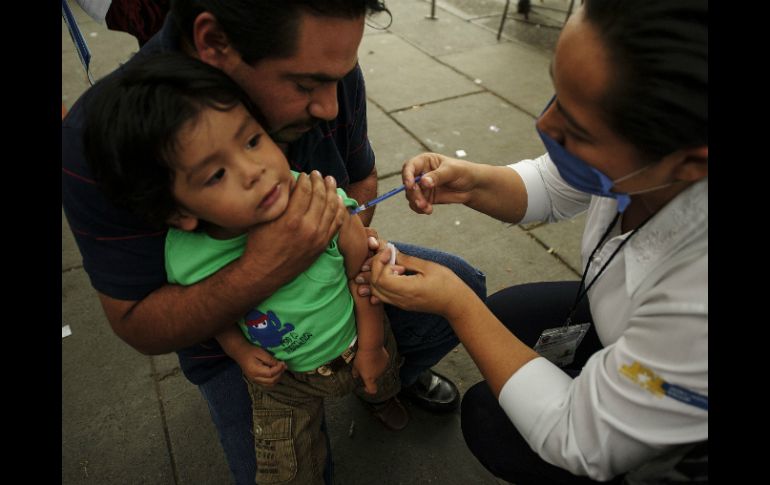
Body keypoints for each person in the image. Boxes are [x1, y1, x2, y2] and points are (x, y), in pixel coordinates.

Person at [61, 1, 486, 483]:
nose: (329, 106)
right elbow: (140, 323)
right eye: (305, 85)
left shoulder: (325, 60)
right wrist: (270, 265)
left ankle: (387, 385)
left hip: (345, 319)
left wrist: (349, 235)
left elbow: (362, 182)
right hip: (255, 361)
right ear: (215, 44)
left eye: (253, 140)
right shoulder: (107, 142)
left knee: (462, 290)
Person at [367, 0, 707, 483]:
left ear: (690, 164)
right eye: (556, 94)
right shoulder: (647, 162)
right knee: (507, 317)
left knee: (492, 419)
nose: (544, 126)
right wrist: (473, 182)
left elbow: (582, 441)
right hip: (630, 321)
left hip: (666, 427)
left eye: (577, 130)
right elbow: (554, 184)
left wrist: (458, 304)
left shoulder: (698, 302)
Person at [82, 52, 407, 484]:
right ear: (179, 213)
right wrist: (238, 350)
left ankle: (381, 398)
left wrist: (370, 347)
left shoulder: (312, 196)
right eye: (217, 174)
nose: (254, 171)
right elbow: (210, 310)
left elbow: (362, 272)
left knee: (382, 377)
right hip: (283, 380)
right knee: (287, 470)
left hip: (357, 338)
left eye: (252, 140)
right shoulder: (187, 257)